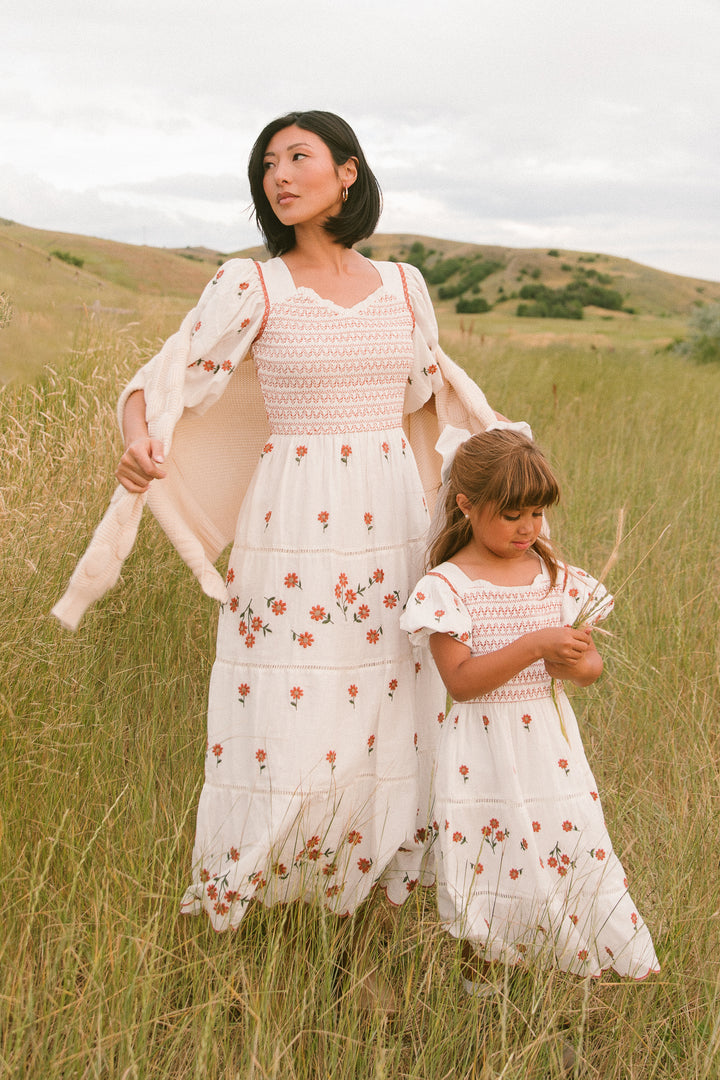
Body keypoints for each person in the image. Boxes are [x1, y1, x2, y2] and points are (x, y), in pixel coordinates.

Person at [51, 111, 503, 934]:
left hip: (394, 517)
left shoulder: (405, 285)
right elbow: (158, 383)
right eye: (267, 165)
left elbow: (430, 396)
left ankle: (376, 900)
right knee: (293, 709)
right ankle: (270, 890)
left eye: (299, 158)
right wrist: (137, 447)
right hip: (296, 519)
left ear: (349, 174)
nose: (280, 177)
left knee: (396, 701)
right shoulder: (251, 285)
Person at [400, 428, 659, 990]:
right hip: (481, 754)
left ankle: (564, 979)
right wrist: (535, 645)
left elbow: (587, 670)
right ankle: (483, 993)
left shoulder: (556, 580)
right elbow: (462, 683)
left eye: (537, 514)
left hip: (550, 747)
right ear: (466, 505)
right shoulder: (448, 586)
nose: (528, 528)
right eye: (512, 514)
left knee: (565, 848)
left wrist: (572, 658)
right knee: (487, 864)